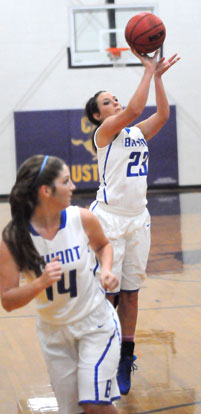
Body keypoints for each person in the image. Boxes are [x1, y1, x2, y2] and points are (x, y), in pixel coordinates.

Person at [85, 49, 180, 396]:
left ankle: (125, 355)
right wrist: (148, 70)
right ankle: (101, 354)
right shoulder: (105, 135)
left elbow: (162, 115)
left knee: (132, 295)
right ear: (98, 115)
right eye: (108, 102)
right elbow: (136, 110)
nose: (116, 103)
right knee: (107, 296)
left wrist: (157, 79)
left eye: (115, 99)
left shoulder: (136, 133)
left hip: (138, 219)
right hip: (108, 220)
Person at [0, 154, 122, 414]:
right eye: (66, 181)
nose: (73, 187)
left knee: (94, 403)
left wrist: (107, 270)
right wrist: (39, 283)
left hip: (95, 325)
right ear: (46, 191)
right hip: (55, 335)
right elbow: (8, 300)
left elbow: (103, 245)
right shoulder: (13, 238)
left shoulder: (82, 218)